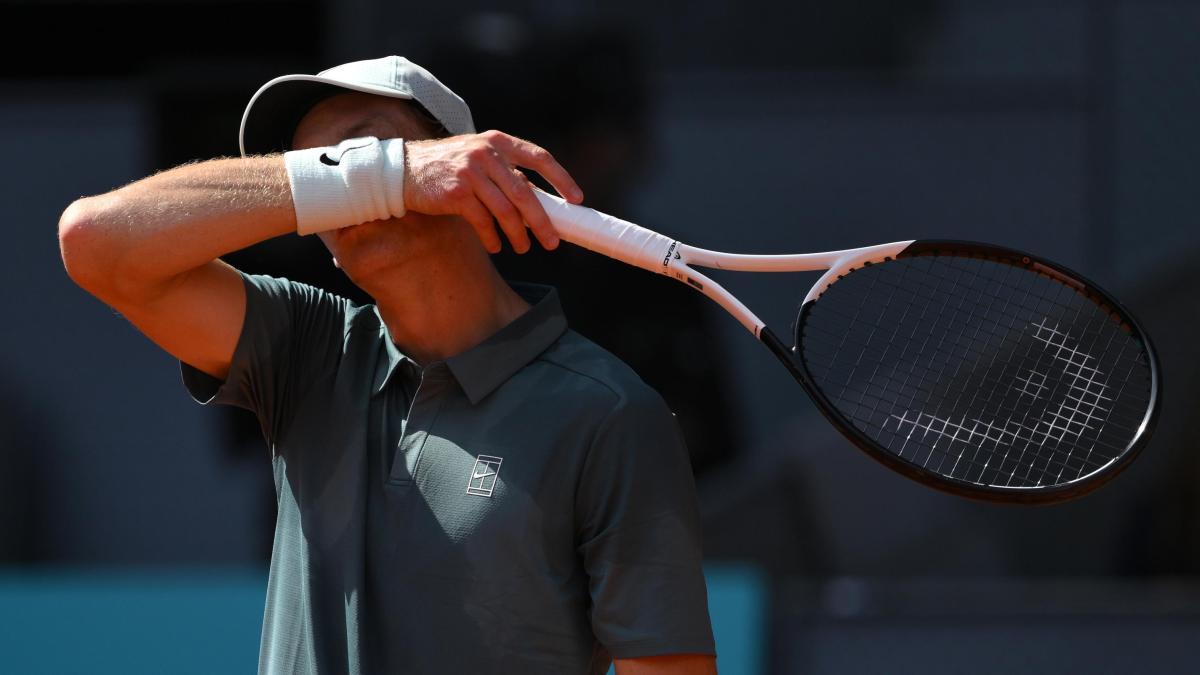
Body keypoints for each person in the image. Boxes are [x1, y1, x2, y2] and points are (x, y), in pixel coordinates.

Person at [57, 55, 716, 674]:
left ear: (459, 164)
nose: (349, 185)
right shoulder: (306, 346)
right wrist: (377, 176)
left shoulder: (609, 412)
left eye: (367, 149)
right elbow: (94, 242)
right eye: (325, 177)